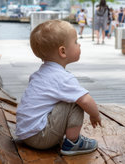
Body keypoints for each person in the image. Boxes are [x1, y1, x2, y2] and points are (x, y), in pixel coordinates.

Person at [16, 20, 101, 156]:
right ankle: (73, 143)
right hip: (40, 137)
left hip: (25, 134)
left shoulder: (39, 74)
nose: (79, 44)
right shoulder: (63, 78)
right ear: (63, 51)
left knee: (70, 97)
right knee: (76, 101)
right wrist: (95, 115)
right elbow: (85, 100)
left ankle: (68, 139)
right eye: (75, 42)